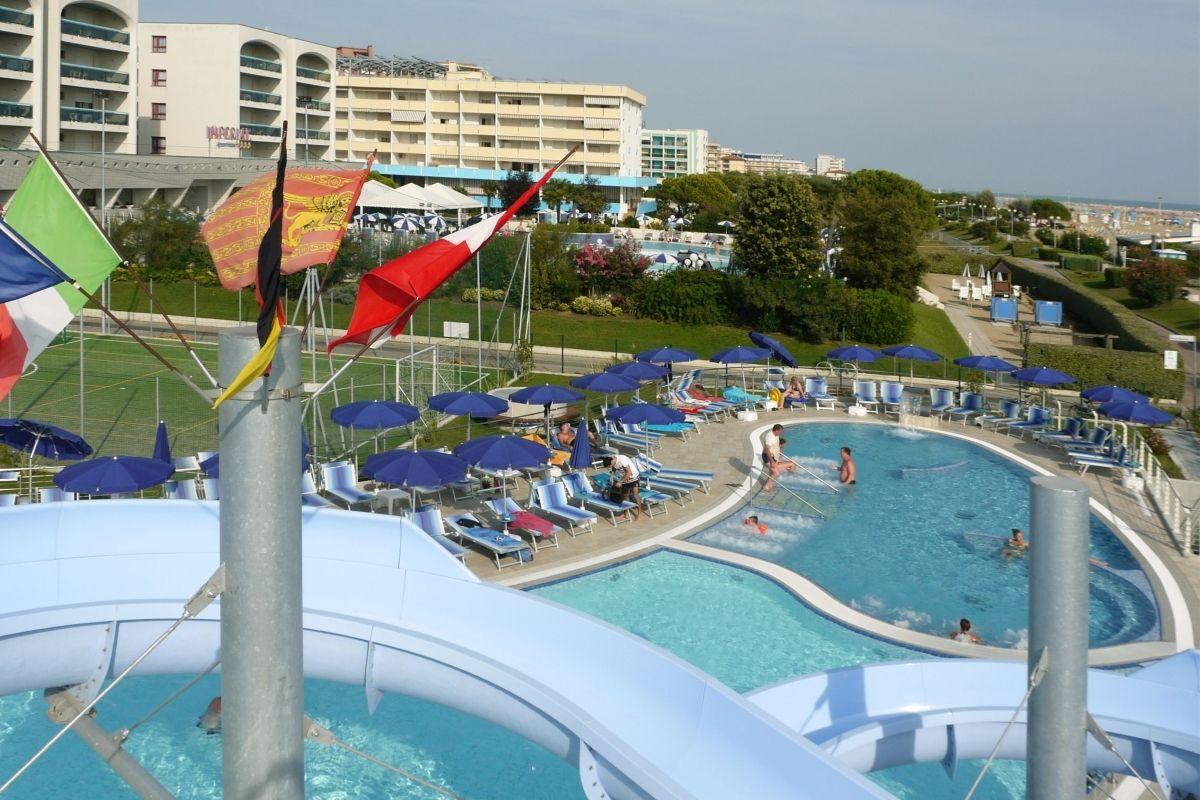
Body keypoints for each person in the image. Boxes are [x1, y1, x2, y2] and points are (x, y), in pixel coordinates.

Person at [606, 454, 642, 522]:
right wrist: (612, 475)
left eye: (610, 465)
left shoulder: (622, 460)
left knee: (635, 495)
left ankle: (639, 514)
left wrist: (620, 482)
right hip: (624, 478)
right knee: (625, 496)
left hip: (634, 477)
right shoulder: (612, 459)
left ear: (612, 462)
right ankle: (625, 513)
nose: (610, 467)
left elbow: (629, 473)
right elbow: (614, 467)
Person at [761, 424, 794, 492]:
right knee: (776, 473)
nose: (781, 433)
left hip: (773, 457)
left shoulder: (776, 435)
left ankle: (770, 485)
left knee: (773, 472)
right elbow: (767, 450)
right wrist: (772, 461)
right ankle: (766, 487)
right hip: (768, 457)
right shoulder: (770, 437)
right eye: (780, 431)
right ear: (776, 430)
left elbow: (777, 446)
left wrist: (777, 457)